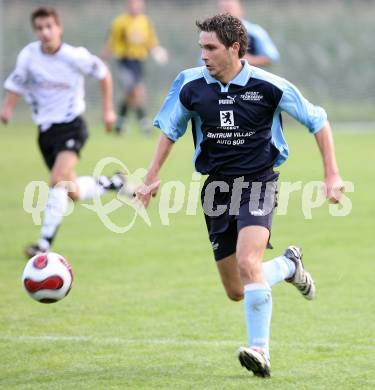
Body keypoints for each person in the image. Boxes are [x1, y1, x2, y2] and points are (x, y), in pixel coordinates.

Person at [137, 14, 344, 378]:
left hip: (258, 183)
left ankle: (259, 351)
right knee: (237, 289)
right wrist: (152, 176)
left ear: (235, 48)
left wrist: (332, 173)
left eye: (211, 48)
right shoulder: (189, 84)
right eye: (201, 47)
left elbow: (318, 120)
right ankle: (288, 266)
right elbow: (170, 130)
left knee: (249, 265)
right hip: (216, 189)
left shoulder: (268, 86)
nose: (203, 55)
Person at [1, 6, 132, 258]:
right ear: (35, 31)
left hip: (72, 125)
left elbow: (103, 74)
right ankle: (114, 182)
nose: (45, 32)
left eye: (49, 26)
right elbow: (17, 82)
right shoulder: (29, 56)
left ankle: (43, 244)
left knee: (57, 179)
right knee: (70, 190)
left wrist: (108, 111)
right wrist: (7, 108)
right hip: (46, 132)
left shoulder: (74, 56)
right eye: (39, 28)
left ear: (59, 28)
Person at [102, 0, 168, 135]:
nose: (135, 7)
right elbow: (111, 42)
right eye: (133, 4)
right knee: (136, 90)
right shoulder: (120, 22)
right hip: (125, 61)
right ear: (127, 5)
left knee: (130, 92)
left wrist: (157, 51)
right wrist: (103, 59)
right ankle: (144, 123)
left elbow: (151, 41)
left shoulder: (145, 21)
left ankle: (120, 123)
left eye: (138, 4)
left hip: (139, 61)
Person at [219, 0, 279, 66]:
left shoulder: (255, 32)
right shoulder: (214, 34)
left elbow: (272, 58)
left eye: (230, 8)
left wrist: (248, 60)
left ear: (240, 10)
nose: (227, 12)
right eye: (224, 8)